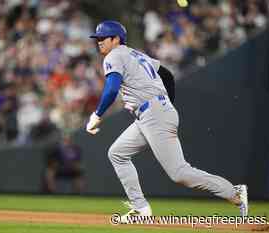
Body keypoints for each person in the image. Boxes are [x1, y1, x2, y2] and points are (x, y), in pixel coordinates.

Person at [86, 20, 248, 222]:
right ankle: (141, 209)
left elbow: (111, 89)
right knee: (117, 153)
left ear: (116, 39)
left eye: (103, 37)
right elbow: (167, 75)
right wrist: (164, 104)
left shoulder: (115, 54)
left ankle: (233, 192)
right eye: (97, 38)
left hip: (153, 113)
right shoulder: (136, 54)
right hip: (152, 113)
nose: (99, 41)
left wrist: (97, 115)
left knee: (179, 173)